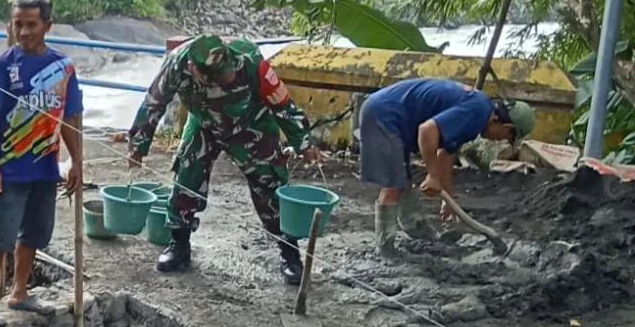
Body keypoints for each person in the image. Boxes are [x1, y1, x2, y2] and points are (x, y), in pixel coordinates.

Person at [126, 35, 320, 282]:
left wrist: (303, 142)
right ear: (195, 70)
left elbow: (282, 103)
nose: (228, 78)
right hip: (204, 122)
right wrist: (139, 145)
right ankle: (179, 244)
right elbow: (153, 102)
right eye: (219, 76)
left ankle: (289, 254)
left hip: (251, 124)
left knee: (269, 184)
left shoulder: (250, 62)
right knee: (187, 173)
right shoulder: (176, 65)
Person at [0, 0, 85, 327]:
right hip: (9, 170)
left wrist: (77, 162)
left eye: (30, 25)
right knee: (0, 236)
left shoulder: (62, 68)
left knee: (36, 232)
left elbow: (71, 117)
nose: (23, 32)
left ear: (47, 26)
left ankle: (20, 291)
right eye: (17, 24)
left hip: (45, 168)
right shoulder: (0, 67)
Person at [357, 77, 534, 251]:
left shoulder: (479, 110)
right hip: (383, 115)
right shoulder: (477, 112)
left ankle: (416, 229)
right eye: (506, 137)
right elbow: (426, 131)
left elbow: (446, 153)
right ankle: (385, 248)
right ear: (507, 126)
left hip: (390, 115)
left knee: (401, 179)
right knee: (393, 185)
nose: (499, 140)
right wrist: (432, 175)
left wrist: (448, 201)